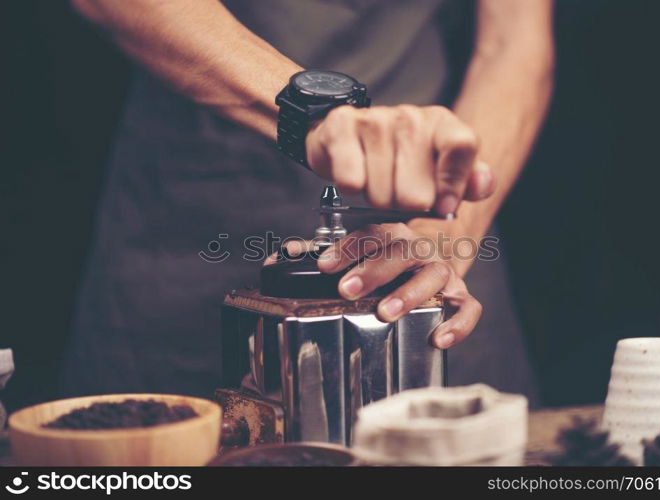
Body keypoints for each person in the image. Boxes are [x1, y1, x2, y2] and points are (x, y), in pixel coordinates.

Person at [62, 0, 554, 401]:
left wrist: (446, 231)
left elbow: (514, 42)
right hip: (190, 232)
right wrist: (312, 115)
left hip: (425, 259)